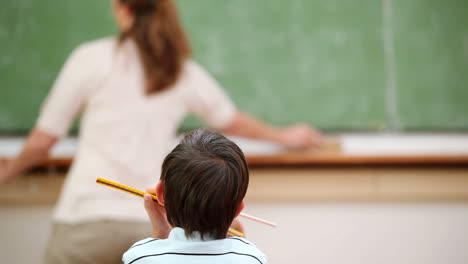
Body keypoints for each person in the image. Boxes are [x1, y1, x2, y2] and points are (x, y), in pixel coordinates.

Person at [0, 0, 321, 263]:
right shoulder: (179, 70)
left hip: (85, 223)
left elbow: (43, 141)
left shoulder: (90, 58)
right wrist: (287, 137)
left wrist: (8, 172)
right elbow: (230, 120)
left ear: (124, 12)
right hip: (156, 224)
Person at [123, 128, 267, 264]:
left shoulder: (138, 257)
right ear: (239, 209)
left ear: (160, 193)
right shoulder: (252, 258)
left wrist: (160, 233)